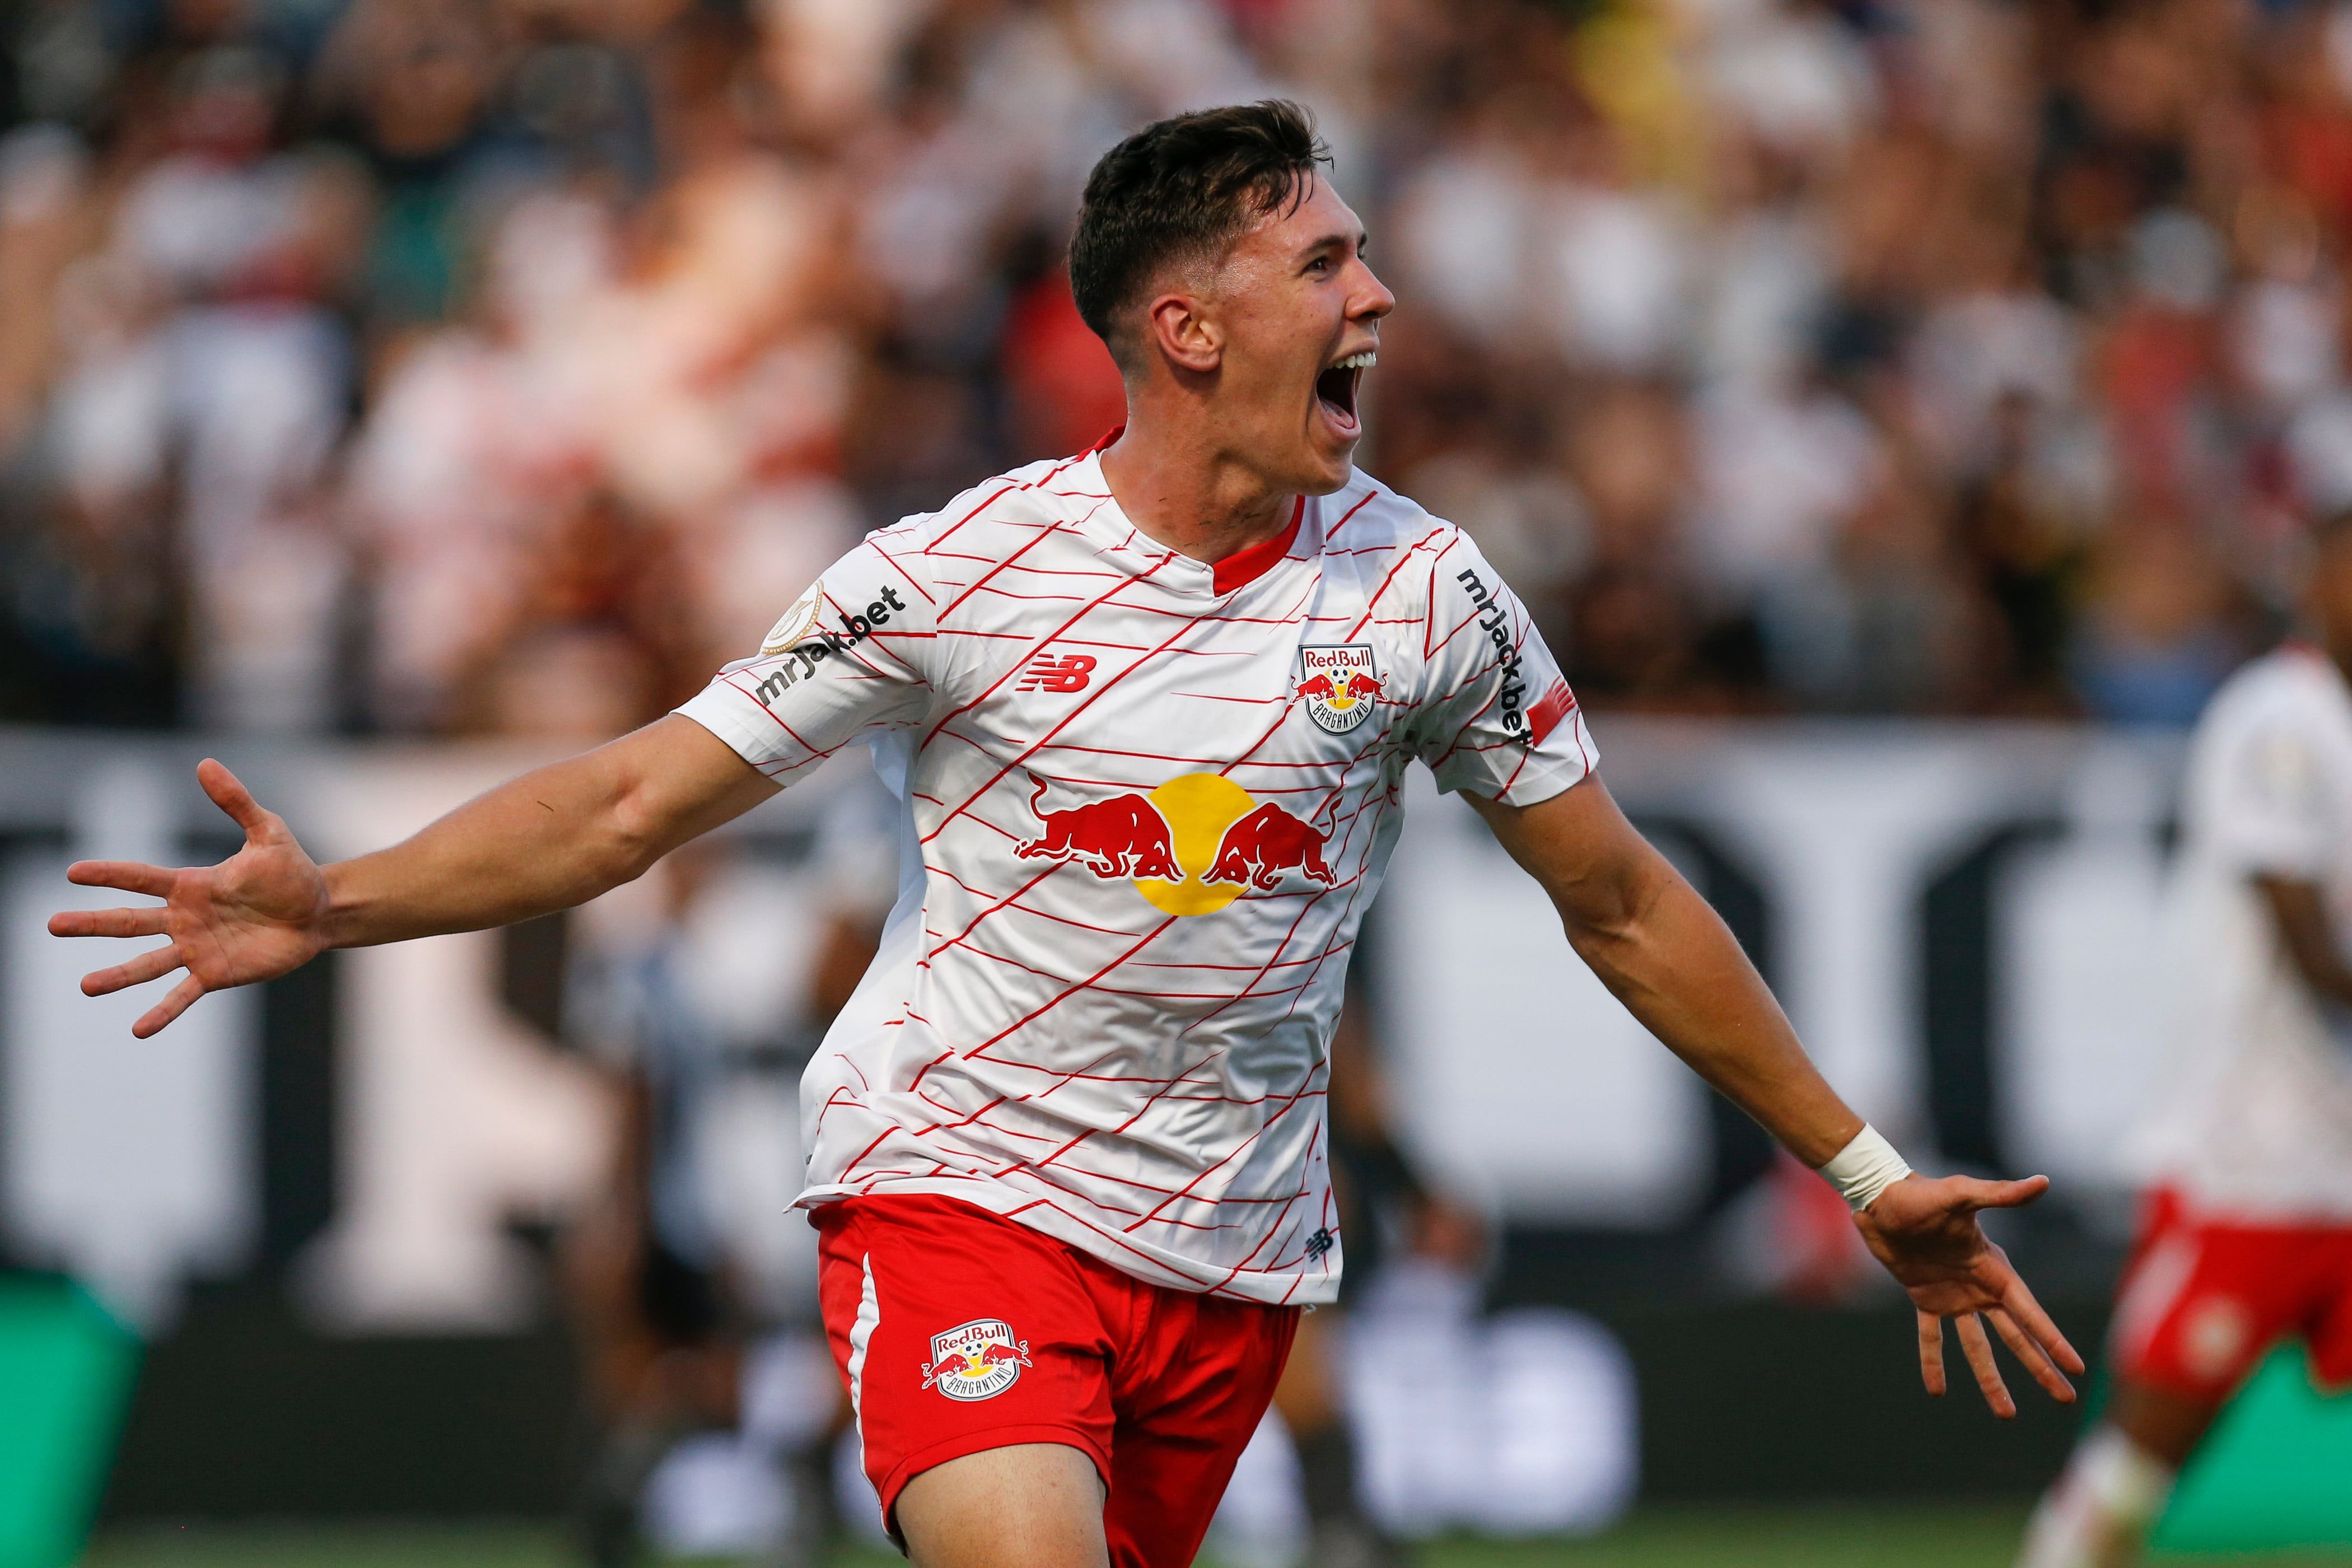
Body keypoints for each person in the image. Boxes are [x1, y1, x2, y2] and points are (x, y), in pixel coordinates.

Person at [54, 101, 2080, 1568]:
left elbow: (1623, 902)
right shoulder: (953, 579)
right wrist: (336, 904)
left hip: (1234, 1257)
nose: (1377, 294)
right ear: (1187, 328)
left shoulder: (1431, 596)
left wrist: (1866, 1167)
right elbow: (627, 799)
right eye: (1325, 265)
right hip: (962, 1192)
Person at [2016, 514, 2352, 1568]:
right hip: (2252, 1158)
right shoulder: (2281, 718)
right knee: (2135, 1467)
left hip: (2337, 1154)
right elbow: (2300, 922)